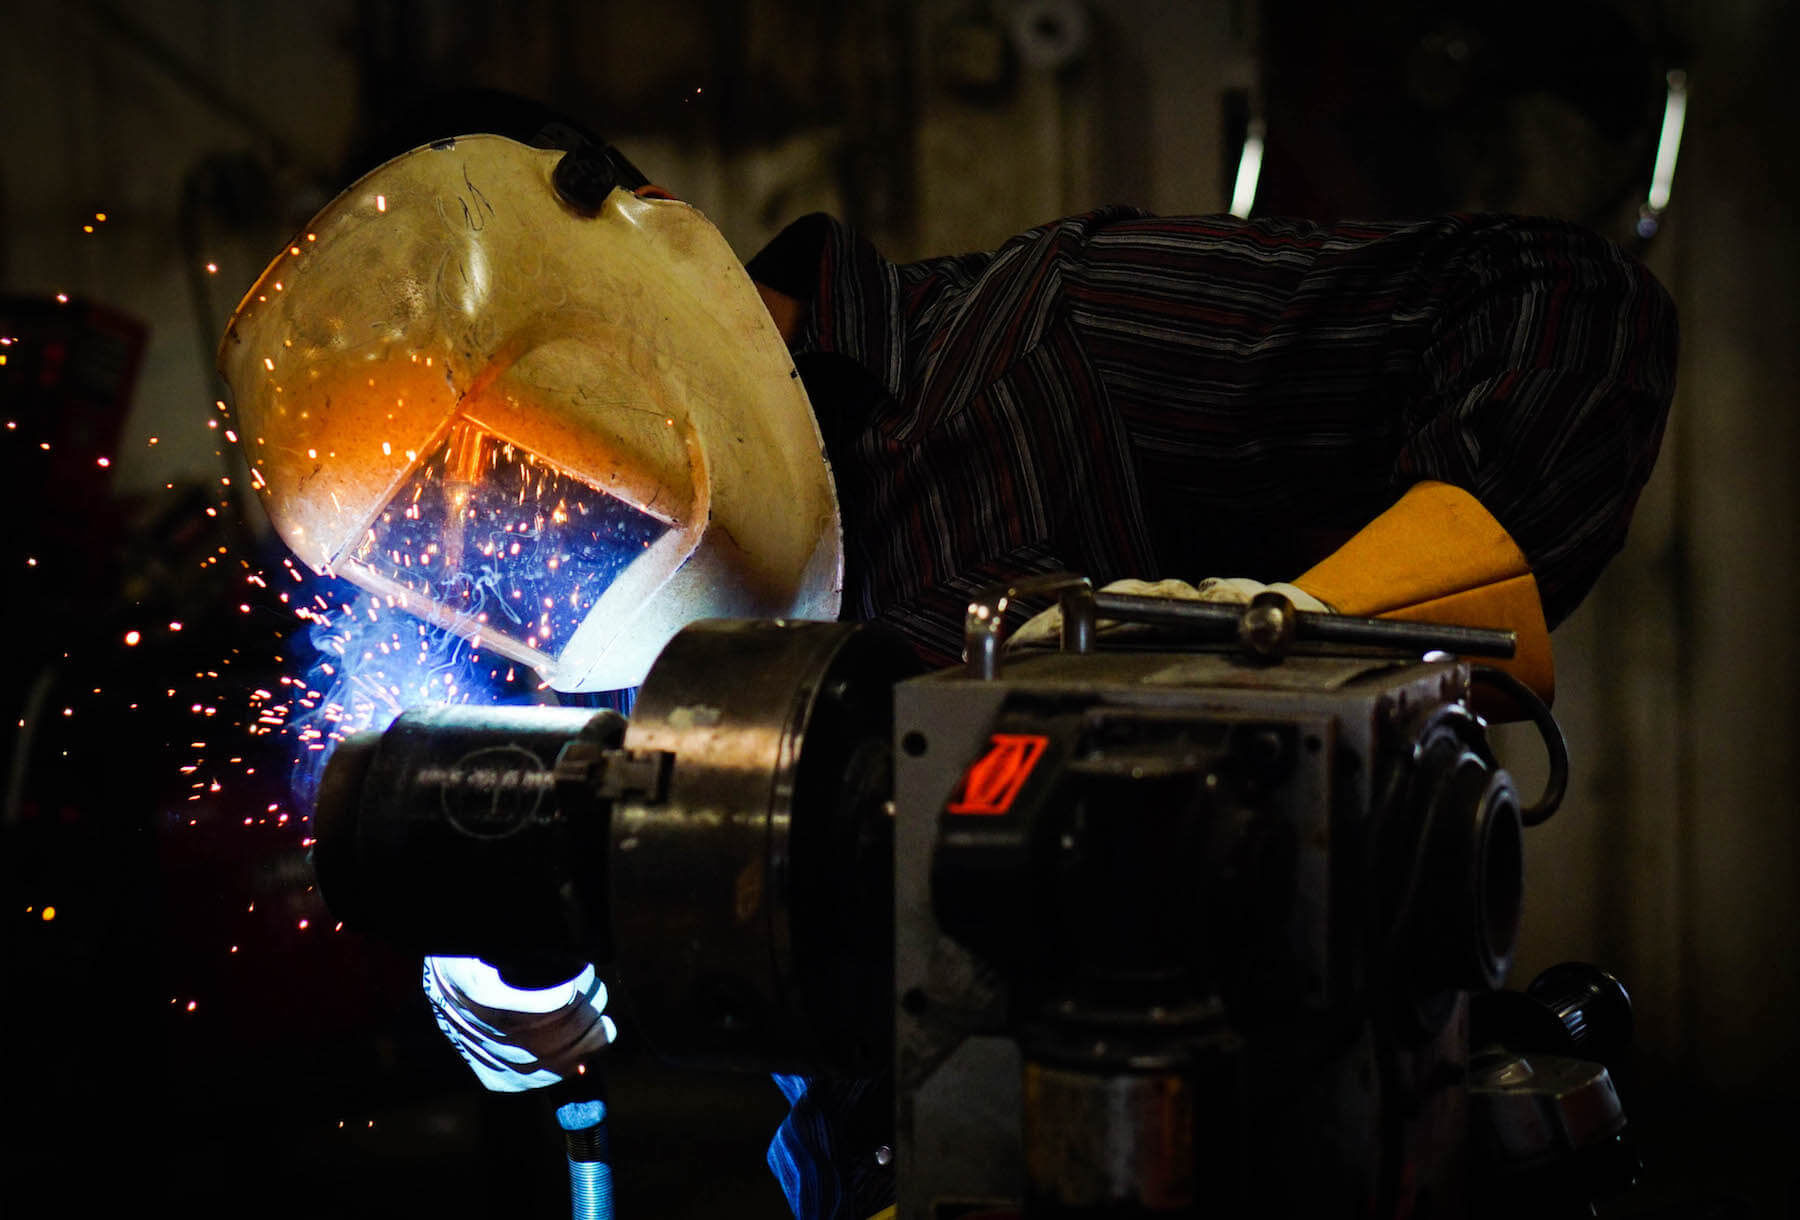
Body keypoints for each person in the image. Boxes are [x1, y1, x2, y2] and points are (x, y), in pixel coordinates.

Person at [219, 98, 1677, 1220]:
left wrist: (1289, 644)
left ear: (637, 283)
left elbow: (1563, 305)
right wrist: (526, 971)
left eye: (522, 489)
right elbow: (603, 960)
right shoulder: (538, 634)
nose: (519, 568)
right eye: (447, 549)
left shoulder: (1060, 353)